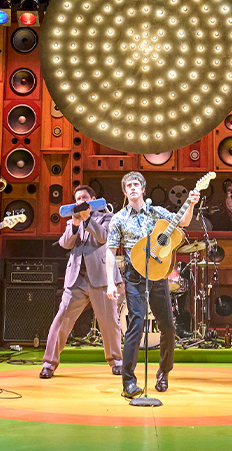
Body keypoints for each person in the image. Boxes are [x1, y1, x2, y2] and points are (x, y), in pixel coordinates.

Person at [105, 171, 199, 399]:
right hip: (134, 277)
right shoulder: (118, 218)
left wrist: (191, 203)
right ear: (125, 192)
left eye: (136, 184)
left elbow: (183, 222)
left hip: (158, 275)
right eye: (129, 186)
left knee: (168, 327)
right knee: (136, 325)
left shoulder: (156, 212)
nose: (133, 188)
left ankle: (163, 373)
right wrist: (110, 282)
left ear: (143, 189)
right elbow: (109, 250)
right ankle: (128, 382)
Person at [41, 185, 122, 378]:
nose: (80, 202)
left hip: (102, 278)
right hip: (76, 279)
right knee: (62, 320)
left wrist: (87, 218)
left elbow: (104, 237)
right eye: (77, 199)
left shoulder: (107, 218)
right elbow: (65, 243)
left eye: (84, 198)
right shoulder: (73, 221)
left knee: (109, 322)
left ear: (93, 200)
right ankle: (48, 364)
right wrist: (76, 224)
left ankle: (116, 361)